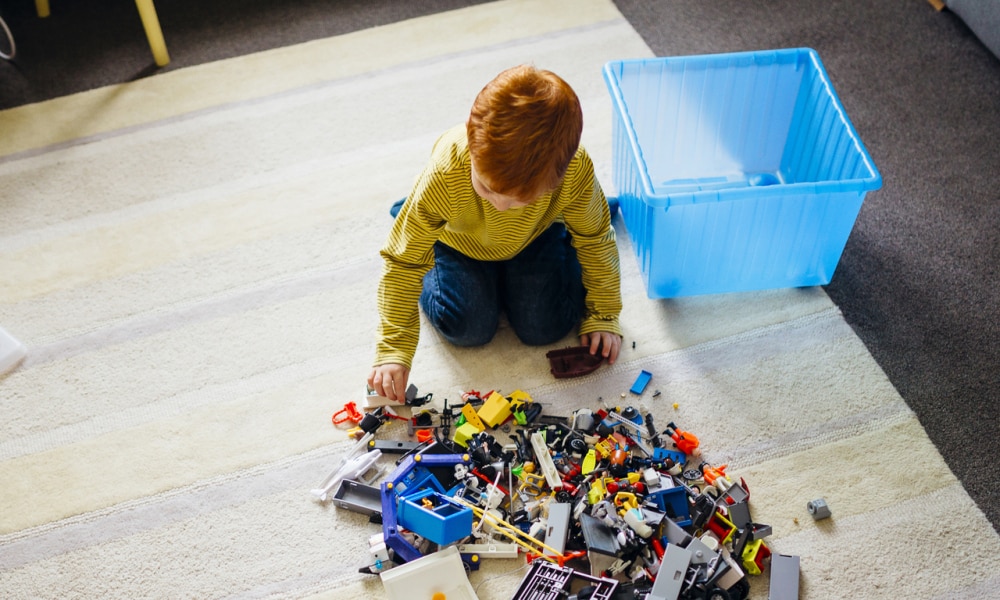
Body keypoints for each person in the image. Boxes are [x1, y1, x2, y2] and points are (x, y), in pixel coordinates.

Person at [368, 64, 622, 402]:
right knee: (467, 328)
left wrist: (603, 315)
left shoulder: (575, 171)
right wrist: (393, 349)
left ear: (557, 179)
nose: (500, 206)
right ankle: (411, 212)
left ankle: (589, 209)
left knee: (544, 327)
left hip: (535, 236)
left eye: (520, 199)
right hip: (458, 242)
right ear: (473, 149)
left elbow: (594, 239)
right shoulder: (446, 173)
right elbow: (403, 262)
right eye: (487, 189)